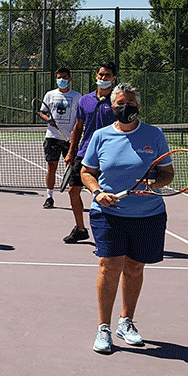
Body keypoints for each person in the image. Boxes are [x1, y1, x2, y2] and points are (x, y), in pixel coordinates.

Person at [80, 83, 173, 354]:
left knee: (134, 268)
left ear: (138, 106)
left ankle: (126, 322)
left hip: (148, 214)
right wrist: (97, 193)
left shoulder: (154, 135)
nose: (125, 108)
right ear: (111, 107)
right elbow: (87, 171)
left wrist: (154, 185)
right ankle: (103, 328)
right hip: (108, 213)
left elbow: (167, 174)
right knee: (109, 266)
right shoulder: (100, 136)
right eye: (120, 104)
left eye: (130, 104)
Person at [63, 61, 118, 243]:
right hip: (85, 153)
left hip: (110, 155)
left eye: (107, 75)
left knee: (106, 194)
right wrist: (71, 152)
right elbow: (78, 128)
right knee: (73, 190)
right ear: (96, 76)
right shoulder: (84, 100)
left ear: (114, 78)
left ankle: (111, 231)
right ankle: (80, 228)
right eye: (101, 74)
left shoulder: (118, 101)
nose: (103, 78)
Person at [39, 68, 81, 209]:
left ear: (69, 79)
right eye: (59, 77)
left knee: (73, 169)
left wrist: (74, 137)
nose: (61, 80)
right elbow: (42, 113)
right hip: (52, 137)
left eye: (64, 77)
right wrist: (48, 119)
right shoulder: (50, 95)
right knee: (52, 167)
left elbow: (79, 119)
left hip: (70, 139)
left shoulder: (77, 96)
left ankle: (73, 197)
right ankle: (49, 197)